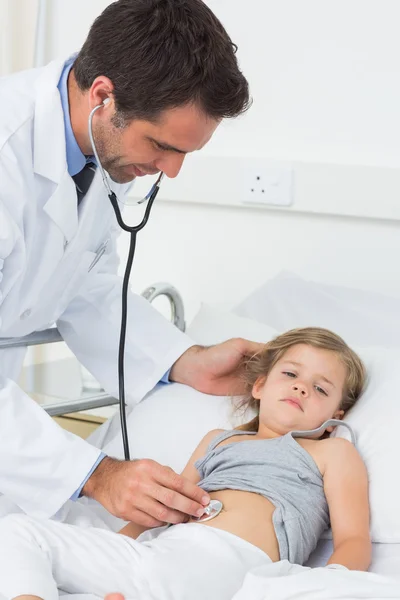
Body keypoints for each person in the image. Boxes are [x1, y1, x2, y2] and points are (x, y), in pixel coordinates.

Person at [0, 0, 260, 527]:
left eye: (186, 153)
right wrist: (97, 475)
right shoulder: (9, 151)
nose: (171, 170)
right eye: (163, 146)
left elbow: (85, 286)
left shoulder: (95, 145)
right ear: (103, 95)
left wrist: (184, 361)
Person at [0, 327, 372, 600]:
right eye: (290, 374)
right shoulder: (217, 440)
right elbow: (163, 505)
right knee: (16, 532)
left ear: (337, 413)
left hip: (232, 566)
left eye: (320, 388)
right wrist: (110, 552)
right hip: (159, 554)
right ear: (258, 387)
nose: (301, 387)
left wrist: (327, 586)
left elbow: (353, 539)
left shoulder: (332, 453)